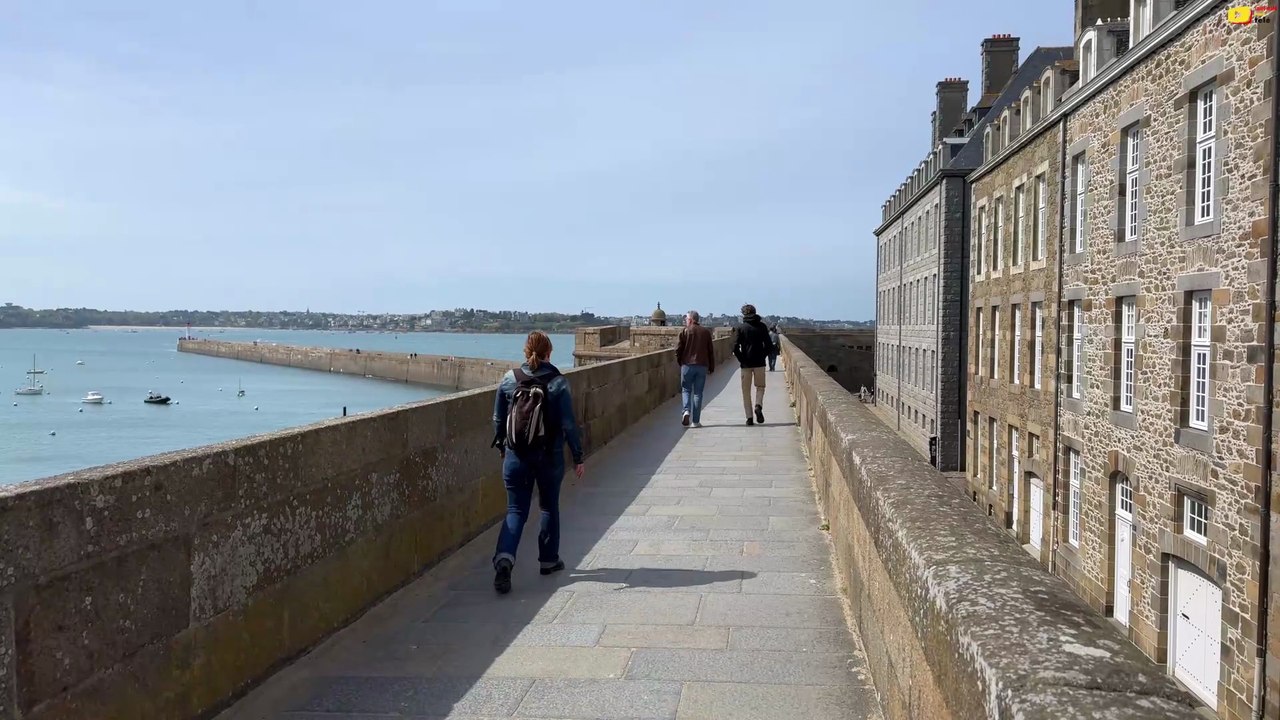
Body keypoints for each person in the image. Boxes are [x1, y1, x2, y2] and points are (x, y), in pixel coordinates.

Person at [490, 331, 585, 594]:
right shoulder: (558, 382)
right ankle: (548, 560)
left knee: (515, 510)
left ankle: (504, 561)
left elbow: (498, 419)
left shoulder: (509, 379)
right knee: (548, 506)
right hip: (549, 456)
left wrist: (502, 446)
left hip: (515, 455)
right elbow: (569, 424)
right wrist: (578, 456)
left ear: (526, 351)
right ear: (549, 353)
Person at [733, 304, 776, 425]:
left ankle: (749, 418)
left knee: (746, 391)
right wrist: (762, 356)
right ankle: (758, 405)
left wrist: (742, 359)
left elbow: (735, 347)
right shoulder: (762, 326)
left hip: (746, 364)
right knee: (760, 387)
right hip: (759, 363)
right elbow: (769, 346)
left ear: (744, 314)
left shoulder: (741, 328)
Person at [676, 310, 716, 428]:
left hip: (687, 365)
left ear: (691, 320)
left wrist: (680, 362)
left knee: (686, 390)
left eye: (686, 319)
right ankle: (696, 421)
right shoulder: (706, 332)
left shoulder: (685, 331)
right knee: (698, 393)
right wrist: (711, 367)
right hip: (702, 365)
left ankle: (686, 411)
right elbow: (710, 351)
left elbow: (678, 349)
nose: (685, 321)